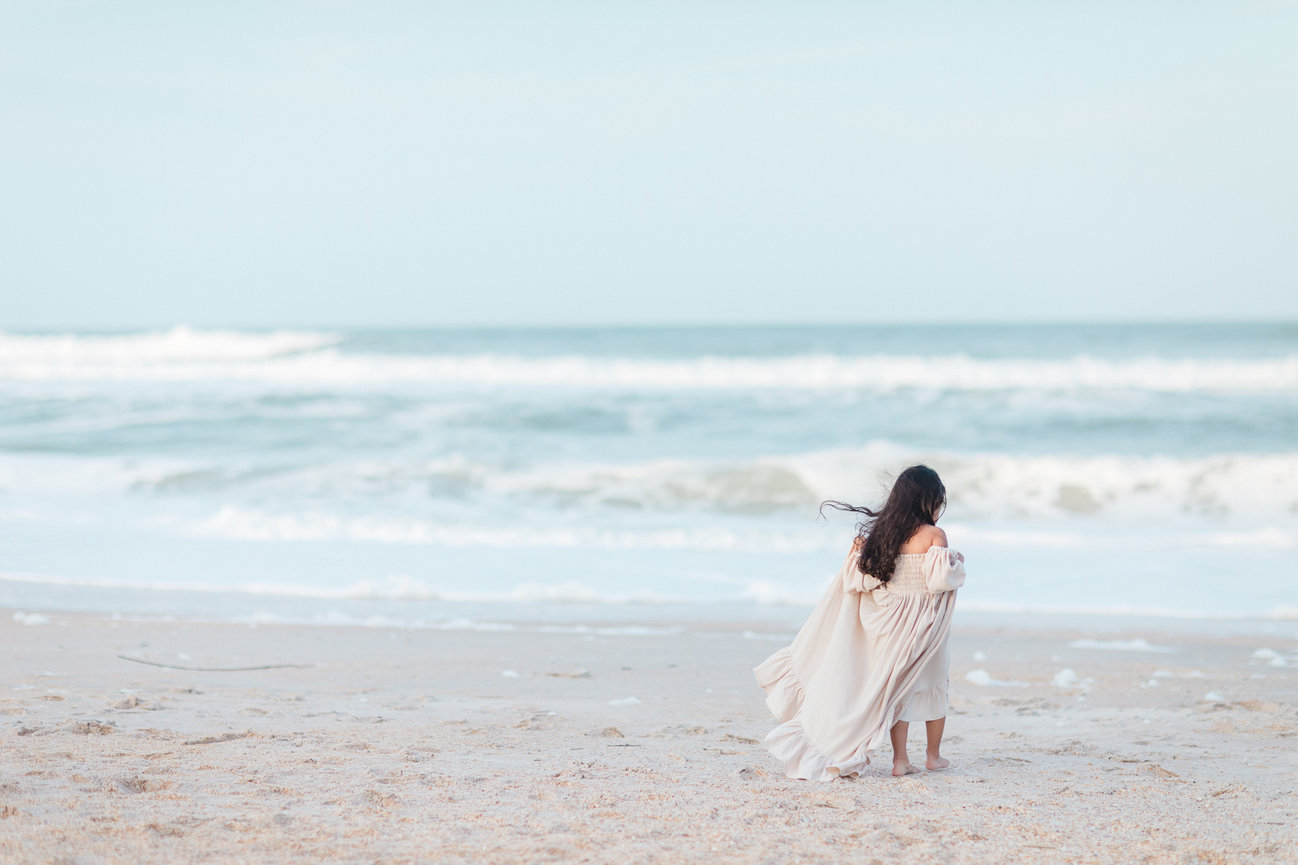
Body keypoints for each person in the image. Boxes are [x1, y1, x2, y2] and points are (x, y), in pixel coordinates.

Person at [753, 465, 965, 779]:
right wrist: (956, 561)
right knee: (934, 684)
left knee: (897, 690)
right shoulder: (934, 535)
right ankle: (934, 756)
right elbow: (940, 581)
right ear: (930, 500)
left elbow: (860, 580)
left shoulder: (885, 535)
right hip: (922, 624)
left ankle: (900, 761)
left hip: (890, 621)